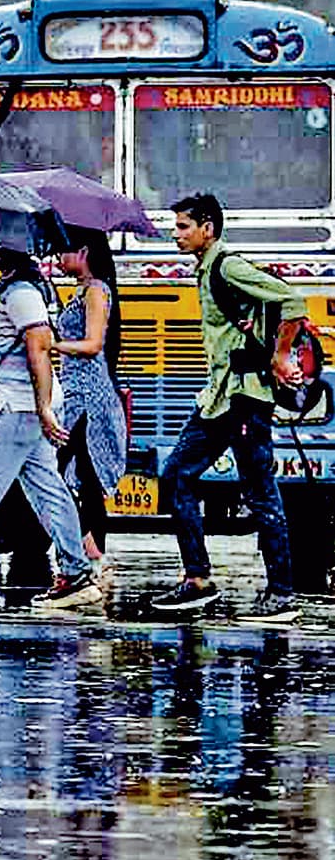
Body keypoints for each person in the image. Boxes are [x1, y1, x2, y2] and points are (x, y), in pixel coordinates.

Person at [152, 194, 305, 621]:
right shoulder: (206, 270)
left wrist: (280, 354)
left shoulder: (227, 266)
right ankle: (198, 580)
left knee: (258, 490)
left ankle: (281, 593)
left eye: (183, 227)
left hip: (244, 397)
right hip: (219, 398)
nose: (175, 234)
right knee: (176, 475)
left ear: (208, 229)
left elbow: (293, 302)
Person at [0, 250, 101, 610]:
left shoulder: (21, 291)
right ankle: (76, 572)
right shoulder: (18, 286)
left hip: (9, 408)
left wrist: (42, 407)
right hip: (22, 410)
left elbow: (38, 348)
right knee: (49, 491)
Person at [51, 230, 127, 562]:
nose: (58, 258)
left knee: (68, 472)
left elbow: (93, 344)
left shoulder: (96, 291)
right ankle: (90, 551)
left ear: (83, 252)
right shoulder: (80, 291)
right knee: (81, 473)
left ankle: (90, 549)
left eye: (64, 251)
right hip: (74, 394)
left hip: (89, 398)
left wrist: (51, 345)